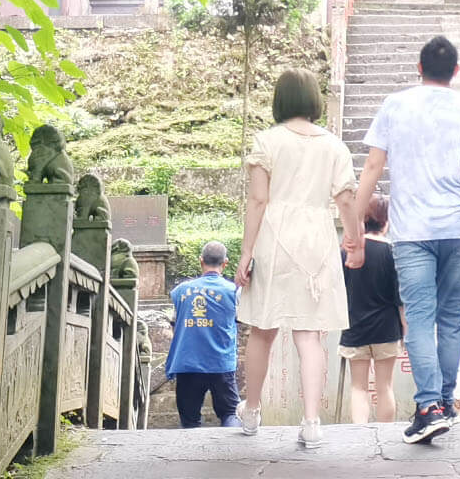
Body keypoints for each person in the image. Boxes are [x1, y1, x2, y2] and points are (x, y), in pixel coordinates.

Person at [350, 35, 460, 445]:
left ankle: (429, 405)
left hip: (412, 232)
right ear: (455, 71)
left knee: (418, 318)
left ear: (418, 68)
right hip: (456, 229)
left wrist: (352, 224)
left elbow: (373, 167)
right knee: (449, 320)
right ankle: (444, 404)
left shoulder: (395, 105)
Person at [236, 68, 362, 448]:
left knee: (262, 329)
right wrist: (355, 239)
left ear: (280, 100)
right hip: (316, 238)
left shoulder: (267, 141)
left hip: (274, 237)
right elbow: (344, 199)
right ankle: (311, 422)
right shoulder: (334, 145)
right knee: (310, 335)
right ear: (314, 101)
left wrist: (245, 252)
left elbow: (258, 200)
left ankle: (252, 412)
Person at [338, 193, 404, 424]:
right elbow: (400, 300)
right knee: (385, 386)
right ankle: (385, 436)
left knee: (358, 388)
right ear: (386, 221)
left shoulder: (346, 251)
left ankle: (361, 437)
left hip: (354, 327)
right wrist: (406, 332)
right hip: (387, 329)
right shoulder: (394, 253)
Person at [166, 241, 241, 429]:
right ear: (225, 263)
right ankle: (230, 454)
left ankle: (193, 456)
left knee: (189, 420)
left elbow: (175, 317)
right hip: (221, 363)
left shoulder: (181, 291)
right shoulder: (234, 291)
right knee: (230, 413)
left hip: (187, 363)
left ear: (201, 261)